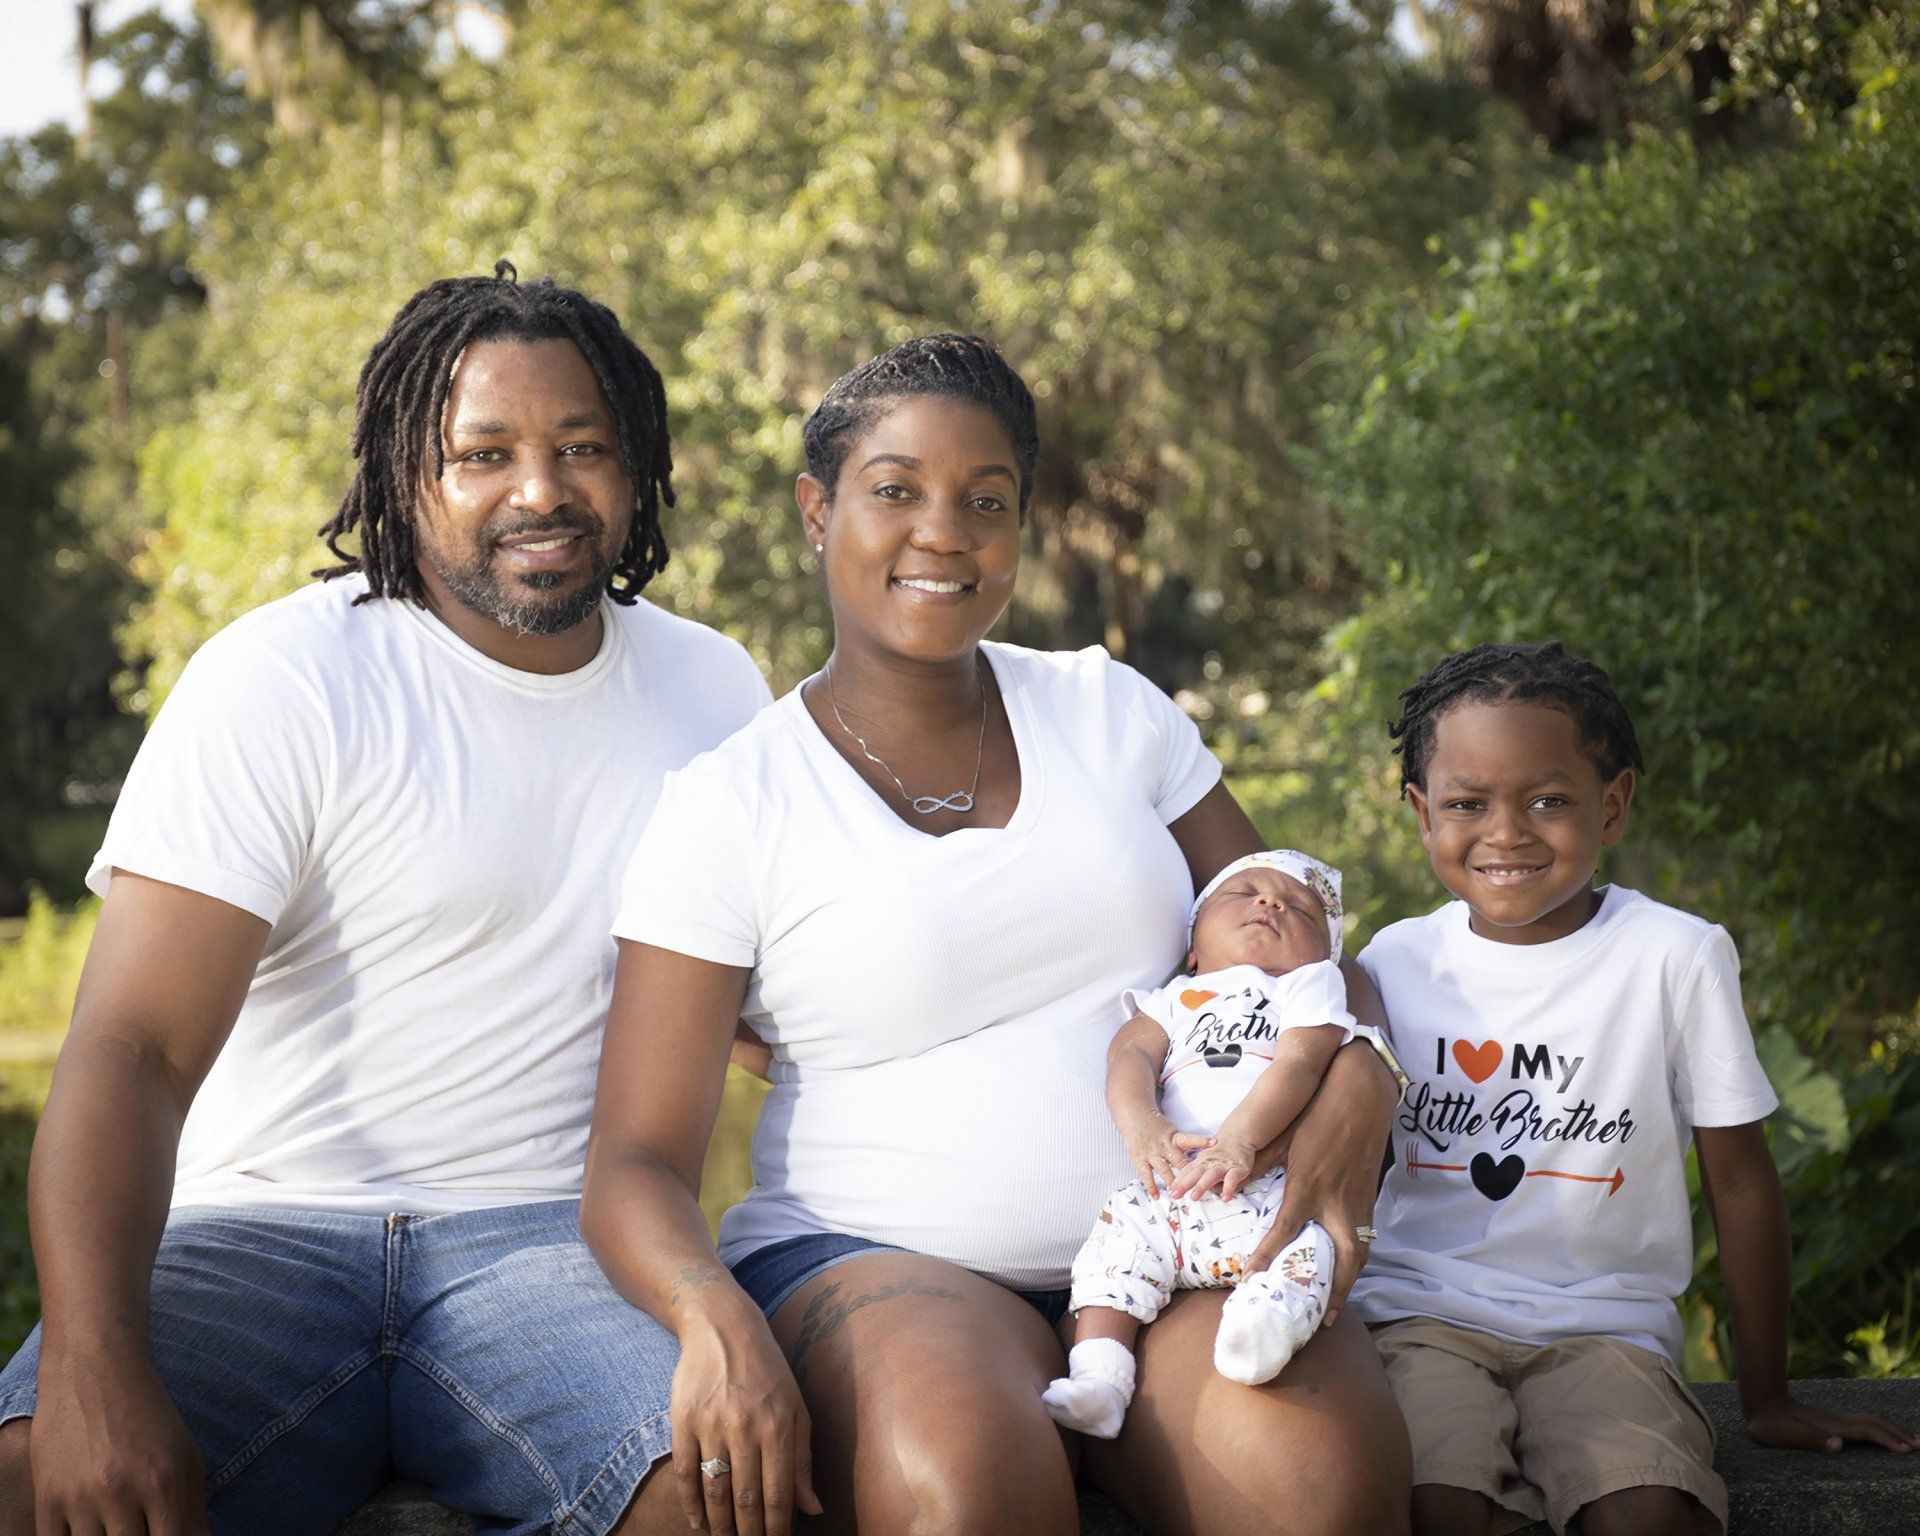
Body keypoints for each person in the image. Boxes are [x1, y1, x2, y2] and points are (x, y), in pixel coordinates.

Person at [581, 334, 1412, 1536]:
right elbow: (634, 1167)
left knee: (1315, 1487)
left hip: (1183, 1247)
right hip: (879, 1259)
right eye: (895, 491)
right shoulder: (729, 807)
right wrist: (714, 1321)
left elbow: (1306, 948)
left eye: (988, 502)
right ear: (817, 511)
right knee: (966, 1490)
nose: (944, 532)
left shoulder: (1107, 709)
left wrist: (1362, 1085)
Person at [0, 266, 771, 1536]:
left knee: (721, 1489)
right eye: (486, 453)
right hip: (260, 1231)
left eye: (582, 446)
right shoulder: (284, 679)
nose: (542, 488)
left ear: (635, 467)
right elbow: (129, 1049)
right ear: (405, 473)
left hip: (559, 1244)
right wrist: (88, 1370)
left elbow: (771, 999)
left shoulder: (713, 689)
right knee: (42, 1479)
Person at [1347, 641, 1920, 1536]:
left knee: (1646, 1512)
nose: (1506, 832)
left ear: (1611, 806)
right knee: (1432, 1501)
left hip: (1605, 1331)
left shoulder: (1675, 956)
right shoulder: (1394, 960)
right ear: (1422, 814)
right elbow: (1352, 1163)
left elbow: (1739, 1178)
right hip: (1417, 1321)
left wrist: (1767, 1396)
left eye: (1548, 799)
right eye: (1467, 803)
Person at [1043, 848, 1368, 1441]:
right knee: (1114, 1250)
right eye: (1243, 893)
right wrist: (1143, 1125)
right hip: (1169, 1185)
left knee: (1307, 1247)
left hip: (1270, 1185)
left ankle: (1266, 1327)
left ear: (1325, 954)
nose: (1271, 902)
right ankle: (1100, 1379)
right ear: (1193, 946)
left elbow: (1301, 1061)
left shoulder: (1308, 987)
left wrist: (1241, 1140)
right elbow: (1130, 1056)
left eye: (1300, 907)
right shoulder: (1173, 999)